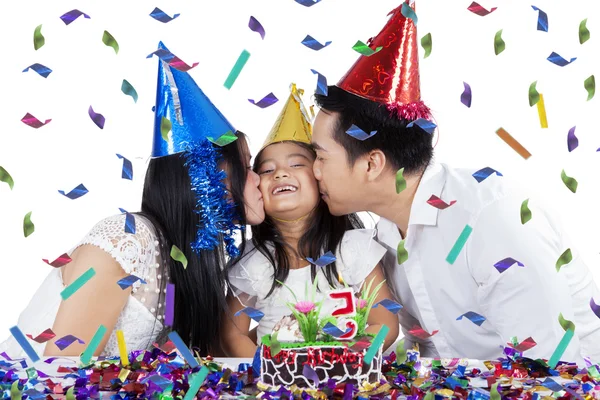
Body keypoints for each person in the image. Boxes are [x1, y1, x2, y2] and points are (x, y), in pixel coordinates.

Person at [310, 2, 600, 363]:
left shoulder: (492, 220)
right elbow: (429, 355)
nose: (314, 171)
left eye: (321, 157)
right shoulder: (383, 234)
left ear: (372, 163)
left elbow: (550, 367)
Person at [0, 42, 264, 359]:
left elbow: (181, 361)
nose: (260, 178)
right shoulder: (127, 240)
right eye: (246, 166)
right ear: (205, 176)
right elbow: (60, 374)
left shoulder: (190, 260)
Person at [222, 84, 398, 357]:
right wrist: (263, 368)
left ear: (320, 177)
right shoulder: (255, 262)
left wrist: (346, 358)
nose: (280, 174)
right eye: (267, 170)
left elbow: (384, 321)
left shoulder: (351, 248)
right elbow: (232, 332)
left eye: (295, 165)